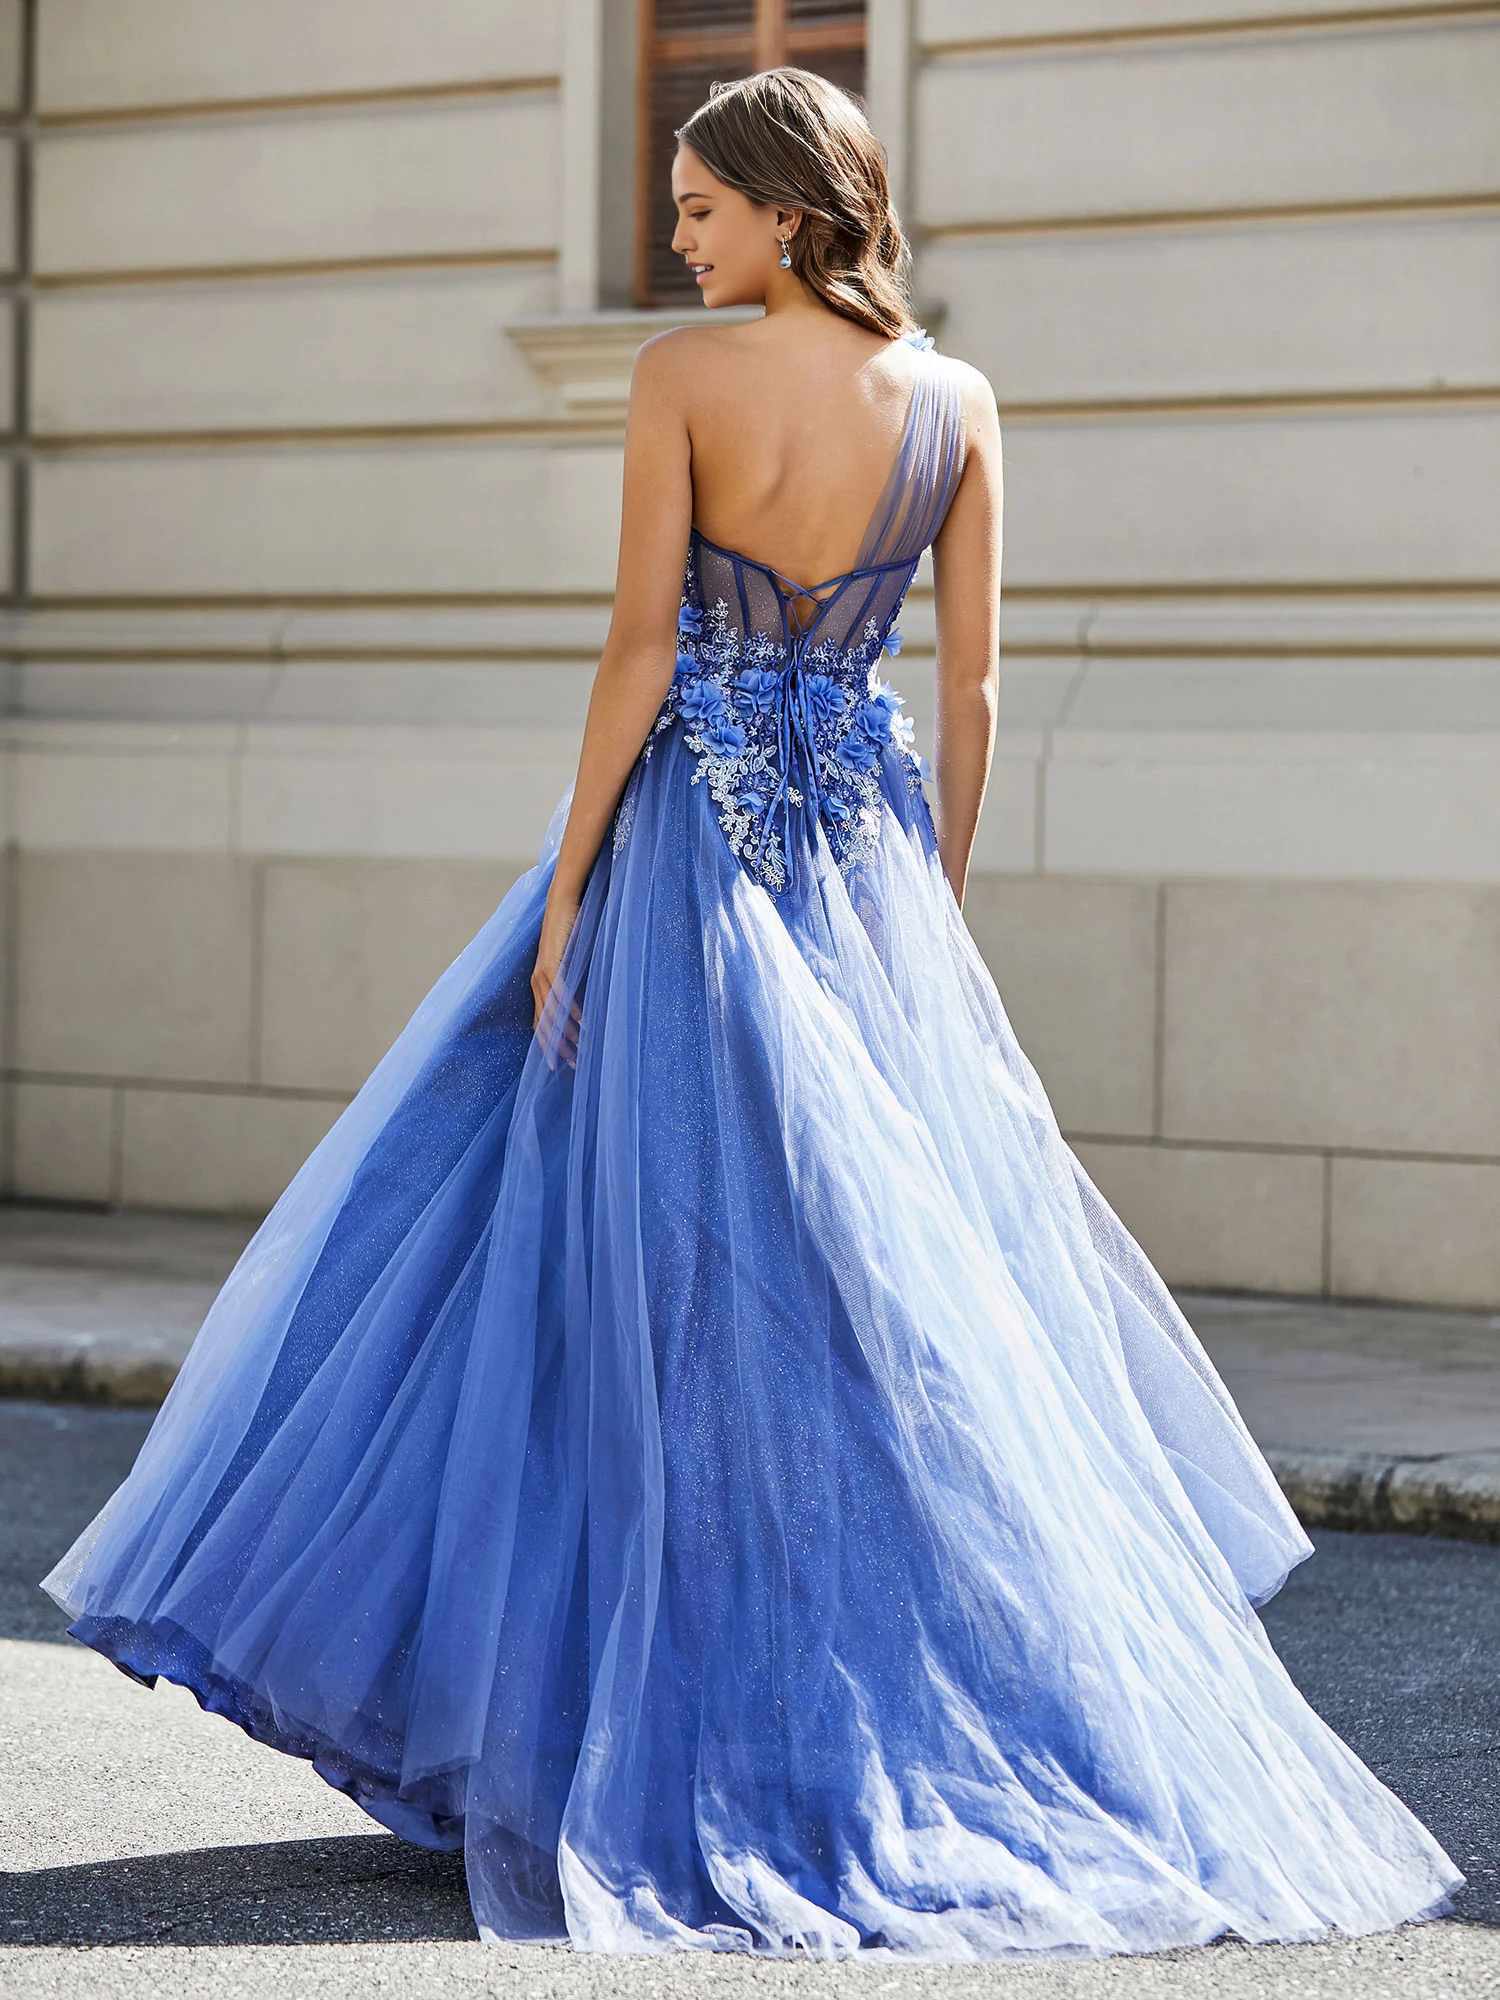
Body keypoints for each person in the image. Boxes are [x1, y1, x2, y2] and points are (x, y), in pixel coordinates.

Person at [44, 69, 1461, 1960]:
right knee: (865, 1311)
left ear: (792, 213)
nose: (677, 236)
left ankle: (613, 1732)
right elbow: (971, 697)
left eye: (703, 206)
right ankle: (843, 1721)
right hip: (864, 870)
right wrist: (930, 909)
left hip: (686, 860)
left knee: (608, 1277)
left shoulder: (683, 380)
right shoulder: (958, 402)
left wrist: (568, 888)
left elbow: (643, 642)